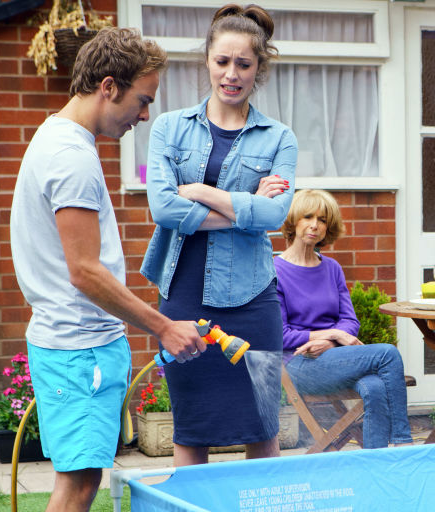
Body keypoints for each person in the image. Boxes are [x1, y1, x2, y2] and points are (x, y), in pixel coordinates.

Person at [10, 28, 203, 512]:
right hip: (80, 350)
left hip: (77, 347)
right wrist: (164, 327)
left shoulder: (58, 136)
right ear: (109, 86)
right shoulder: (71, 157)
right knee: (77, 487)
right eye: (142, 100)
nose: (145, 115)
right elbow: (84, 272)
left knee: (81, 480)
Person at [140, 4, 297, 466]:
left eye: (244, 64)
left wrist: (203, 192)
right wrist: (243, 208)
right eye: (222, 61)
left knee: (262, 427)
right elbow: (163, 207)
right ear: (207, 60)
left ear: (258, 68)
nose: (231, 74)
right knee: (191, 429)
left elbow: (276, 213)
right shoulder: (169, 128)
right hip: (184, 296)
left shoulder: (278, 138)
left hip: (254, 300)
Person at [274, 189, 413, 449]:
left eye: (323, 220)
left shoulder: (332, 268)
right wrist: (335, 335)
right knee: (387, 355)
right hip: (299, 364)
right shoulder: (275, 271)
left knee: (374, 387)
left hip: (334, 358)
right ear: (293, 221)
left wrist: (331, 341)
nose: (315, 225)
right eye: (307, 217)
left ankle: (376, 464)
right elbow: (280, 334)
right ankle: (404, 444)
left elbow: (350, 322)